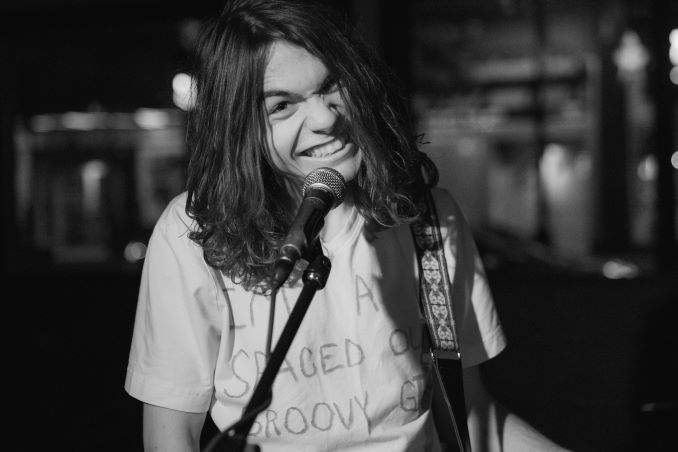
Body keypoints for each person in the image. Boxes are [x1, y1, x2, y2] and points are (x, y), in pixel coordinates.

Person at [124, 0, 568, 451]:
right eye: (281, 106)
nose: (325, 119)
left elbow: (470, 413)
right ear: (241, 129)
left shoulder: (429, 220)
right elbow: (171, 435)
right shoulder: (194, 232)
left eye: (333, 85)